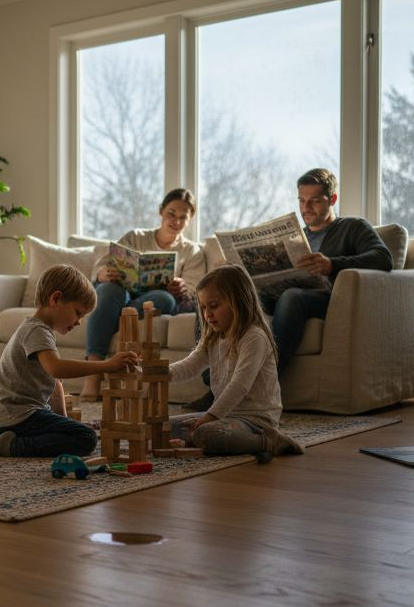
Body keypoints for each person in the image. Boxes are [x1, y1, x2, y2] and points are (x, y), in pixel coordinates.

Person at [0, 263, 139, 458]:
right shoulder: (37, 330)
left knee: (74, 431)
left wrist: (64, 423)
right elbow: (57, 369)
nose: (78, 322)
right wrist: (107, 365)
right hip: (19, 417)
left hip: (13, 418)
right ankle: (12, 446)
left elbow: (55, 383)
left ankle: (3, 437)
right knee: (86, 438)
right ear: (56, 299)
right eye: (77, 312)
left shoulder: (39, 329)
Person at [168, 265, 304, 462]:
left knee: (206, 434)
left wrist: (209, 417)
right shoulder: (213, 338)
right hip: (223, 417)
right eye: (203, 307)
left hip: (256, 422)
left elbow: (239, 385)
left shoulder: (254, 337)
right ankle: (198, 437)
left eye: (214, 306)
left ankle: (269, 441)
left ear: (238, 302)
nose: (207, 314)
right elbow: (188, 367)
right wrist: (148, 372)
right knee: (160, 428)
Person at [81, 188, 207, 400]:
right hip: (121, 292)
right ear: (161, 211)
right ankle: (92, 374)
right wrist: (103, 273)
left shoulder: (192, 251)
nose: (176, 221)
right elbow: (101, 266)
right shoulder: (135, 237)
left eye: (183, 217)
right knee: (109, 290)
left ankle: (109, 315)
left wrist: (183, 288)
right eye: (171, 213)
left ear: (190, 219)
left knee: (164, 298)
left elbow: (195, 290)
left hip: (157, 297)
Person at [265, 168, 393, 375]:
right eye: (301, 200)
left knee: (291, 297)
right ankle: (218, 375)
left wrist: (332, 264)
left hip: (327, 299)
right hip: (286, 294)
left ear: (332, 199)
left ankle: (268, 378)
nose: (306, 208)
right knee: (239, 296)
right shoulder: (295, 236)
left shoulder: (353, 227)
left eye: (314, 201)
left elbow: (383, 258)